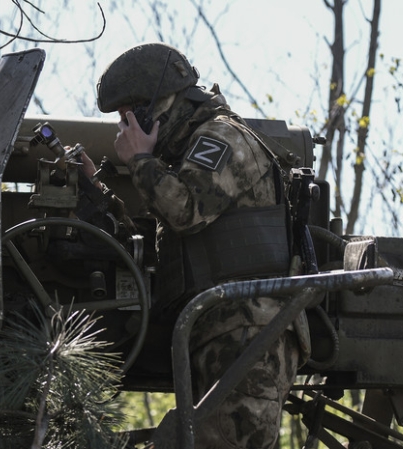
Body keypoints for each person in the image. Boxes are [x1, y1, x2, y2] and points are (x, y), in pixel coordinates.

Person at [89, 42, 306, 448]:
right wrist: (98, 190)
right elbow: (161, 245)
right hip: (222, 333)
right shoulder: (190, 154)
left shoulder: (222, 137)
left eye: (129, 117)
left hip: (248, 333)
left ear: (156, 108)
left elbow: (187, 210)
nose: (125, 129)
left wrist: (139, 160)